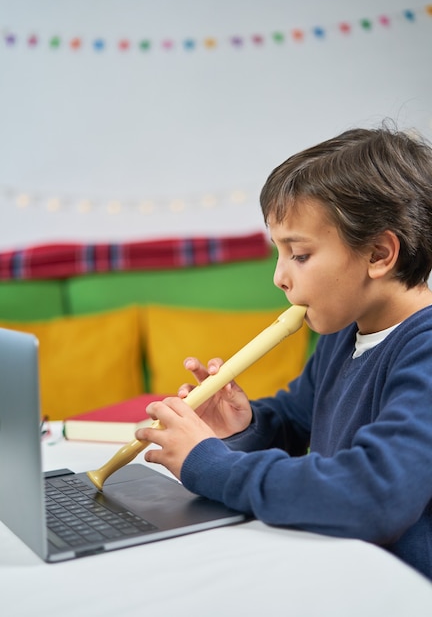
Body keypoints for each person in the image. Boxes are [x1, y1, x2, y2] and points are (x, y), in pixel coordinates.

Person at [135, 125, 432, 580]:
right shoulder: (344, 330)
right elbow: (296, 419)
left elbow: (375, 495)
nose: (279, 277)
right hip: (339, 569)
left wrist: (210, 464)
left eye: (299, 254)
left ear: (378, 253)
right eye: (279, 251)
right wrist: (245, 424)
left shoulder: (424, 350)